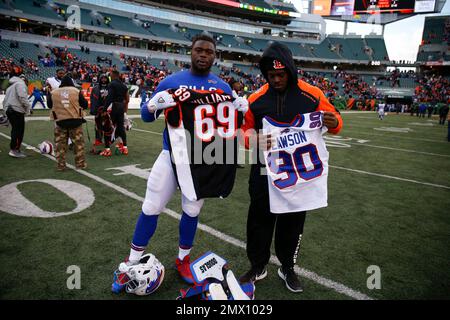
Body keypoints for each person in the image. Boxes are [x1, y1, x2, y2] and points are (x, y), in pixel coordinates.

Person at [112, 34, 248, 292]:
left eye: (208, 51)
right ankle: (131, 262)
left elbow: (228, 131)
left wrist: (241, 110)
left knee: (192, 211)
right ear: (191, 52)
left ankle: (183, 260)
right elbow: (145, 116)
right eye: (199, 50)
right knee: (151, 206)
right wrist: (153, 105)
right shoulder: (171, 81)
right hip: (171, 154)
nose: (203, 55)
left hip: (203, 160)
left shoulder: (223, 88)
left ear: (214, 56)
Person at [239, 41, 343, 293]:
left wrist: (334, 121)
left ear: (291, 71)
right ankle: (258, 265)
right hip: (264, 170)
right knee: (259, 220)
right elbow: (243, 132)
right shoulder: (256, 99)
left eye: (281, 74)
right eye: (271, 75)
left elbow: (336, 122)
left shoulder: (312, 94)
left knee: (293, 222)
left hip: (297, 174)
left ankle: (287, 266)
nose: (276, 79)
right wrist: (253, 139)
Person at [47, 75, 88, 171]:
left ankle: (61, 166)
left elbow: (49, 105)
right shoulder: (76, 91)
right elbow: (85, 105)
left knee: (60, 145)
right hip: (75, 122)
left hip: (60, 122)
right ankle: (80, 165)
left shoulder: (54, 92)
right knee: (78, 145)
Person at [101, 70, 129, 156]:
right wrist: (124, 110)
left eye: (110, 75)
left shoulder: (112, 84)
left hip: (113, 106)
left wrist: (104, 109)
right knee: (121, 128)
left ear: (113, 75)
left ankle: (107, 150)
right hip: (121, 106)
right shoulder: (124, 86)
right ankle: (125, 148)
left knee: (107, 127)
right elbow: (127, 99)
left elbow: (109, 97)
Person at [2, 73, 31, 158]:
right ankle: (14, 150)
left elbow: (4, 101)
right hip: (16, 110)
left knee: (15, 130)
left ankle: (14, 148)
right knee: (19, 130)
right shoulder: (20, 84)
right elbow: (22, 97)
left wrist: (6, 111)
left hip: (9, 109)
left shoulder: (10, 87)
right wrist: (28, 109)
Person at [90, 74, 110, 148]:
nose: (104, 80)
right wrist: (94, 110)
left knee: (108, 126)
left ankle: (108, 140)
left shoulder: (110, 87)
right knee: (98, 125)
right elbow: (92, 99)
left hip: (108, 109)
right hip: (98, 109)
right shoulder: (95, 88)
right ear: (100, 79)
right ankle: (98, 139)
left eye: (105, 78)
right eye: (102, 78)